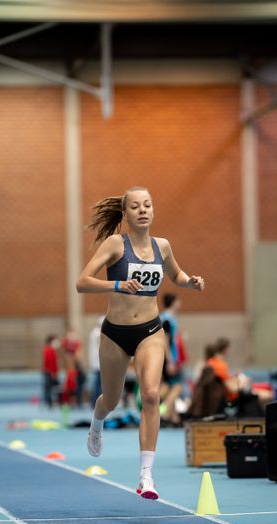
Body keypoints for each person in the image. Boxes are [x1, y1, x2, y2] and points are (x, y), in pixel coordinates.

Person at [76, 186, 204, 499]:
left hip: (150, 330)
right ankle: (97, 421)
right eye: (135, 206)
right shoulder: (114, 244)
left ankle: (146, 476)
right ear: (126, 213)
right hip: (115, 335)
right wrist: (117, 283)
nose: (143, 210)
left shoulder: (163, 246)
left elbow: (176, 275)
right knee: (111, 399)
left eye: (147, 204)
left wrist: (190, 282)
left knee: (150, 394)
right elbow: (82, 283)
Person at [160, 293, 184, 425]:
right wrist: (170, 361)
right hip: (168, 358)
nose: (180, 303)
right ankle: (163, 414)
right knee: (177, 387)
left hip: (170, 358)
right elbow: (165, 341)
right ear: (173, 302)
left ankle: (174, 418)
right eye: (178, 300)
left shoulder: (169, 318)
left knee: (168, 387)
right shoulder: (167, 319)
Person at [88, 316, 104, 408]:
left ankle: (94, 401)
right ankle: (95, 402)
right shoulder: (98, 334)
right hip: (98, 362)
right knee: (99, 384)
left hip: (97, 362)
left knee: (98, 383)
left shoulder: (94, 333)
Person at [42, 335, 60, 408]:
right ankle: (48, 402)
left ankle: (49, 402)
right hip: (49, 372)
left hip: (50, 371)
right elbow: (49, 362)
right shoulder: (49, 350)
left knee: (49, 388)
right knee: (49, 388)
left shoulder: (50, 350)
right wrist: (52, 373)